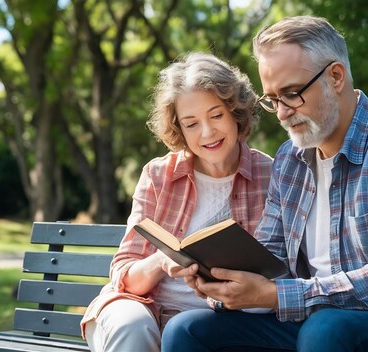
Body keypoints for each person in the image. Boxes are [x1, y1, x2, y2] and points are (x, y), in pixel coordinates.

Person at [162, 16, 368, 352]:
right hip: (315, 325)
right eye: (272, 99)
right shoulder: (290, 160)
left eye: (292, 94)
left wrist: (274, 295)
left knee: (327, 326)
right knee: (188, 330)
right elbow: (269, 259)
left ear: (336, 76)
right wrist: (223, 280)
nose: (282, 112)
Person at [80, 52, 273, 352]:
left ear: (236, 111)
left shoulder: (270, 175)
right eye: (191, 123)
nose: (207, 133)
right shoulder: (158, 175)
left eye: (216, 115)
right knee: (131, 326)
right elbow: (124, 276)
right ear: (179, 128)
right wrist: (161, 261)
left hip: (221, 323)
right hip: (145, 309)